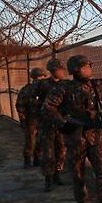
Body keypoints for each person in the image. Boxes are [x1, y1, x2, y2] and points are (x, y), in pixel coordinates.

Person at [42, 54, 102, 203]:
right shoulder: (63, 88)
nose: (89, 69)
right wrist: (63, 124)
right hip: (75, 138)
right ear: (77, 69)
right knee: (78, 175)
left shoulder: (96, 85)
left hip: (95, 137)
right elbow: (47, 108)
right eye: (86, 66)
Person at [36, 58, 69, 191]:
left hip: (61, 124)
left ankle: (57, 174)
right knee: (48, 152)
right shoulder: (42, 85)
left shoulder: (66, 85)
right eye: (60, 69)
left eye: (63, 69)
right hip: (47, 124)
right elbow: (32, 99)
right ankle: (48, 178)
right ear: (53, 71)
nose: (62, 72)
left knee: (61, 150)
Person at [15, 68, 45, 168]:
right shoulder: (27, 89)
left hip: (38, 119)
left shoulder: (42, 88)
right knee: (31, 142)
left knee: (37, 141)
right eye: (41, 77)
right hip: (32, 119)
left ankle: (36, 160)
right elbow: (20, 105)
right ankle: (29, 160)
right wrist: (23, 118)